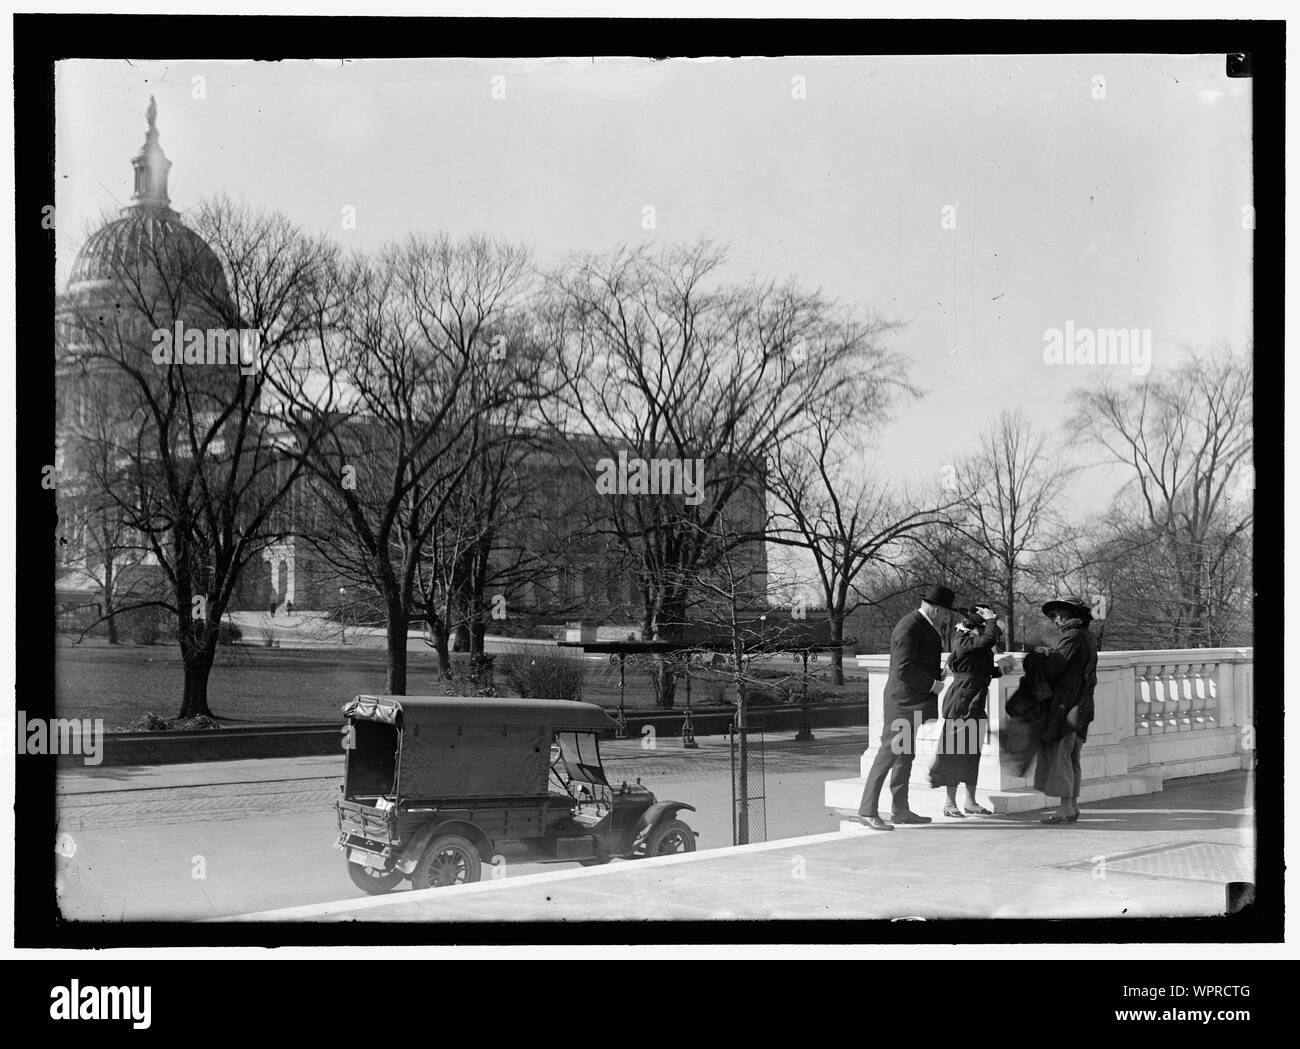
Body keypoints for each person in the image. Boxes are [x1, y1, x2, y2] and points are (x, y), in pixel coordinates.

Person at [852, 584, 956, 831]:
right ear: (936, 609)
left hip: (911, 701)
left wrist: (936, 674)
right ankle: (867, 811)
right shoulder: (910, 626)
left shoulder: (919, 625)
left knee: (904, 756)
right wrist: (932, 684)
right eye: (946, 612)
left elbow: (912, 664)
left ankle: (900, 810)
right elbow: (903, 669)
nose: (947, 617)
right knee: (888, 754)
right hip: (903, 703)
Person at [929, 604, 1007, 817]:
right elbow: (987, 640)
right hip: (960, 704)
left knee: (972, 755)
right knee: (954, 754)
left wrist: (999, 670)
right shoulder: (962, 640)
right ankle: (949, 803)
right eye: (983, 625)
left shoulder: (972, 642)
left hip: (975, 703)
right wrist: (991, 620)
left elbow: (980, 669)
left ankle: (970, 802)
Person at [1028, 596, 1099, 824]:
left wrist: (1041, 658)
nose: (1055, 620)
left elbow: (1054, 670)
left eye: (1057, 615)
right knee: (1072, 755)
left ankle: (1065, 807)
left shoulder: (1072, 637)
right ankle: (1073, 805)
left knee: (1061, 755)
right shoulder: (1087, 637)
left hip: (1066, 706)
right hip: (1082, 705)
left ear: (1068, 615)